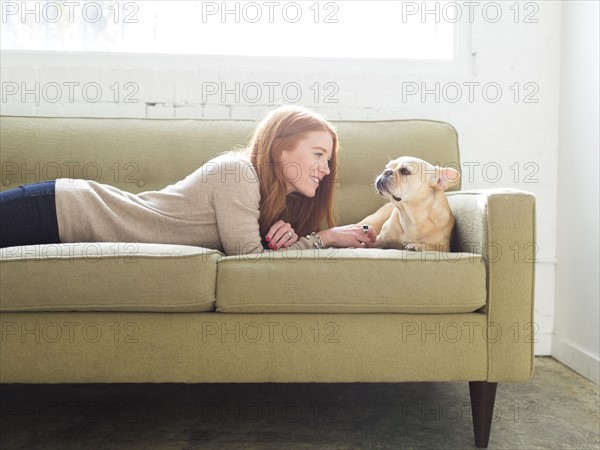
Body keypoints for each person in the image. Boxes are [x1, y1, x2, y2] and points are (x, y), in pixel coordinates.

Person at [0, 105, 377, 254]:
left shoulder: (275, 204)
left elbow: (257, 259)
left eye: (328, 160)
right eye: (318, 154)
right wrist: (324, 239)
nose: (326, 170)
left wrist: (298, 240)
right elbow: (249, 262)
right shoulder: (237, 172)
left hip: (61, 216)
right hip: (59, 208)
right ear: (280, 150)